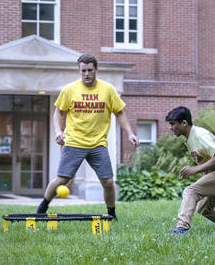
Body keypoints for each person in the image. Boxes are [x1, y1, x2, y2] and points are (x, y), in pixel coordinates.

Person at [36, 54, 139, 218]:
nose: (86, 74)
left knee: (108, 182)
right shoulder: (70, 90)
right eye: (83, 71)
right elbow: (59, 112)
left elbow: (120, 113)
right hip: (74, 142)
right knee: (62, 179)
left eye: (90, 70)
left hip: (98, 143)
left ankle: (111, 214)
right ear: (79, 70)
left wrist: (129, 133)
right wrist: (58, 131)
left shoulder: (108, 89)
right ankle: (43, 206)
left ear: (96, 69)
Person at [165, 106, 215, 234]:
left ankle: (182, 228)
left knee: (190, 191)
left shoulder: (200, 135)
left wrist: (195, 170)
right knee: (204, 208)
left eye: (173, 124)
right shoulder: (190, 137)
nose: (171, 128)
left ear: (184, 123)